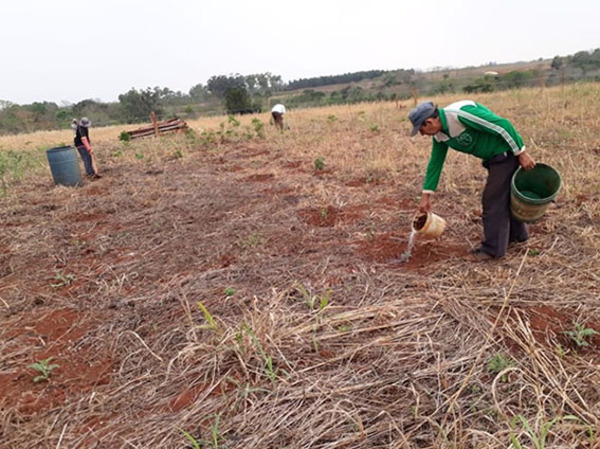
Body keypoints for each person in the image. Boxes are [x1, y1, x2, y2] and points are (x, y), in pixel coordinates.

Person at [408, 100, 536, 261]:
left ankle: (492, 250)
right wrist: (426, 196)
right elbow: (435, 163)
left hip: (505, 154)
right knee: (503, 197)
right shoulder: (440, 135)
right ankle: (518, 236)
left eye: (421, 129)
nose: (422, 134)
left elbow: (503, 125)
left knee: (492, 201)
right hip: (492, 159)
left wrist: (521, 153)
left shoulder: (460, 115)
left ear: (430, 121)